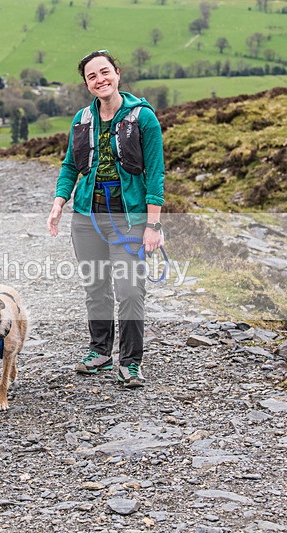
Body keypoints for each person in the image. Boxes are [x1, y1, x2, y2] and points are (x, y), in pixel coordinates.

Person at [47, 50, 165, 389]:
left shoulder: (143, 118)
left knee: (129, 291)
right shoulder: (82, 119)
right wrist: (59, 203)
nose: (100, 80)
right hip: (87, 217)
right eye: (92, 76)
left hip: (129, 219)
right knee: (95, 288)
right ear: (87, 84)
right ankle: (99, 352)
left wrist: (153, 225)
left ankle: (130, 362)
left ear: (117, 73)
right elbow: (70, 165)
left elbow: (156, 174)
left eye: (105, 72)